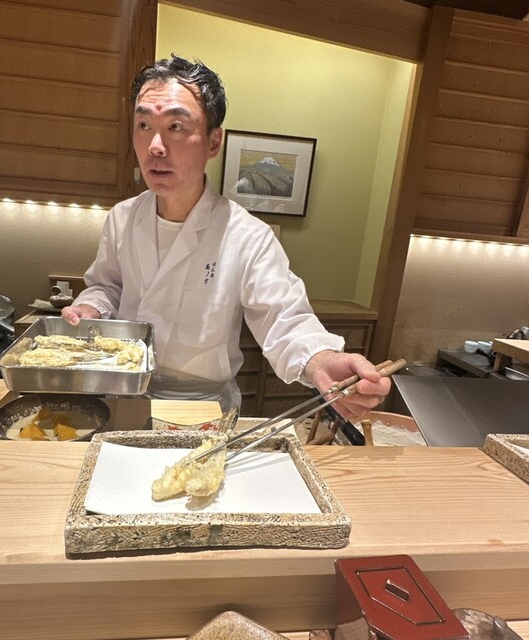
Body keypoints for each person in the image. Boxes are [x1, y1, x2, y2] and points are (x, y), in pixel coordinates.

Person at [62, 55, 391, 417]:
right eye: (143, 125)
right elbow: (107, 287)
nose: (155, 145)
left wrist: (320, 360)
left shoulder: (248, 236)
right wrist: (91, 307)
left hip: (202, 407)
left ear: (213, 142)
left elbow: (283, 317)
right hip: (124, 392)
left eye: (175, 126)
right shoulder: (122, 218)